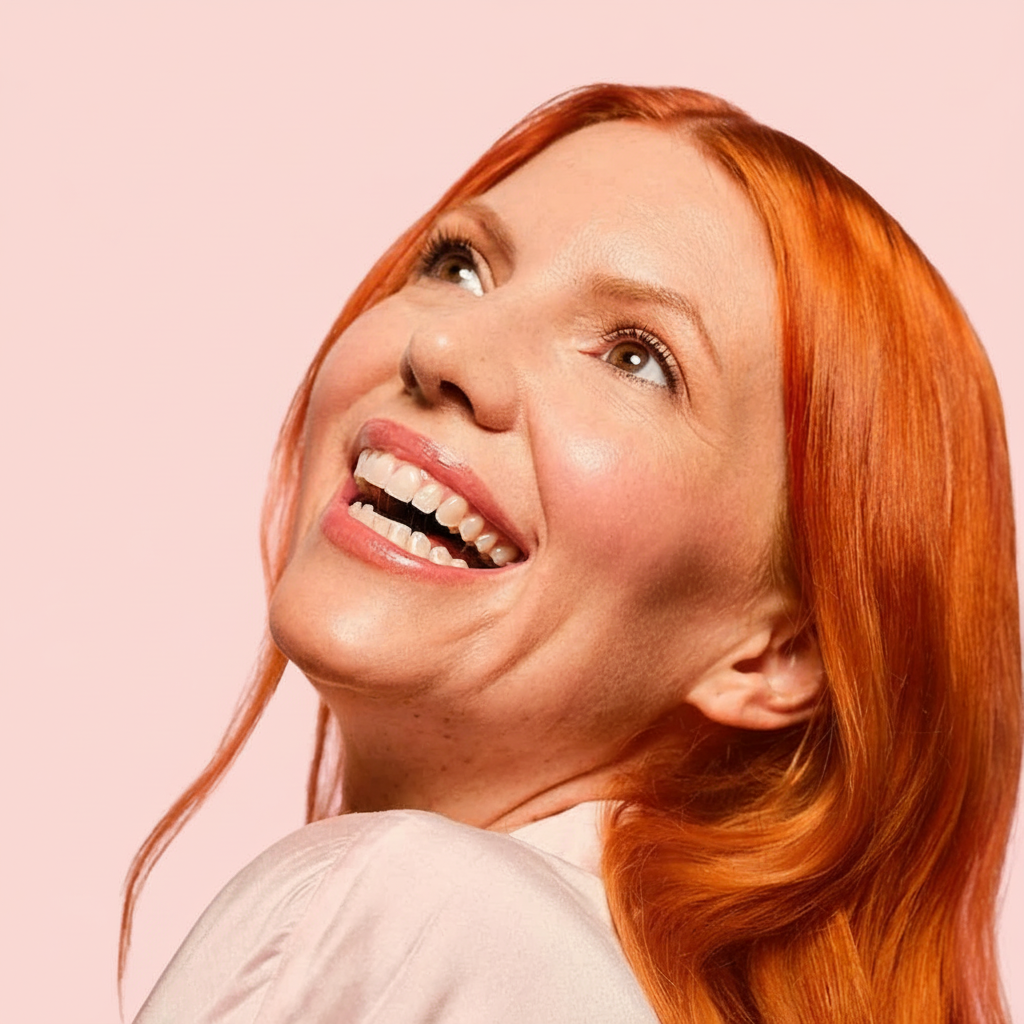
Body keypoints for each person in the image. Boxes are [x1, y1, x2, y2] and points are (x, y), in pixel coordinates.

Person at [120, 85, 1021, 1024]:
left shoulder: (398, 919)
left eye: (637, 357)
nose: (443, 346)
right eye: (460, 265)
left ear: (775, 651)